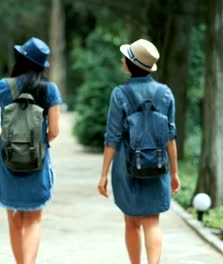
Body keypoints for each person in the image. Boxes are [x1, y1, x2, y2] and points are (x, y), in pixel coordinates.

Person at [0, 37, 62, 264]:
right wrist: (38, 140)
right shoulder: (50, 90)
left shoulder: (4, 86)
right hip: (37, 160)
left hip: (8, 160)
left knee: (14, 218)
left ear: (21, 60)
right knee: (33, 220)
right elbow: (54, 131)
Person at [97, 39, 181, 264]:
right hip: (158, 162)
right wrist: (174, 172)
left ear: (132, 64)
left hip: (127, 165)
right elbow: (171, 137)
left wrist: (104, 174)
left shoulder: (119, 94)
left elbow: (112, 137)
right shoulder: (165, 93)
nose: (122, 59)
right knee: (152, 221)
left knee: (131, 221)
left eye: (126, 56)